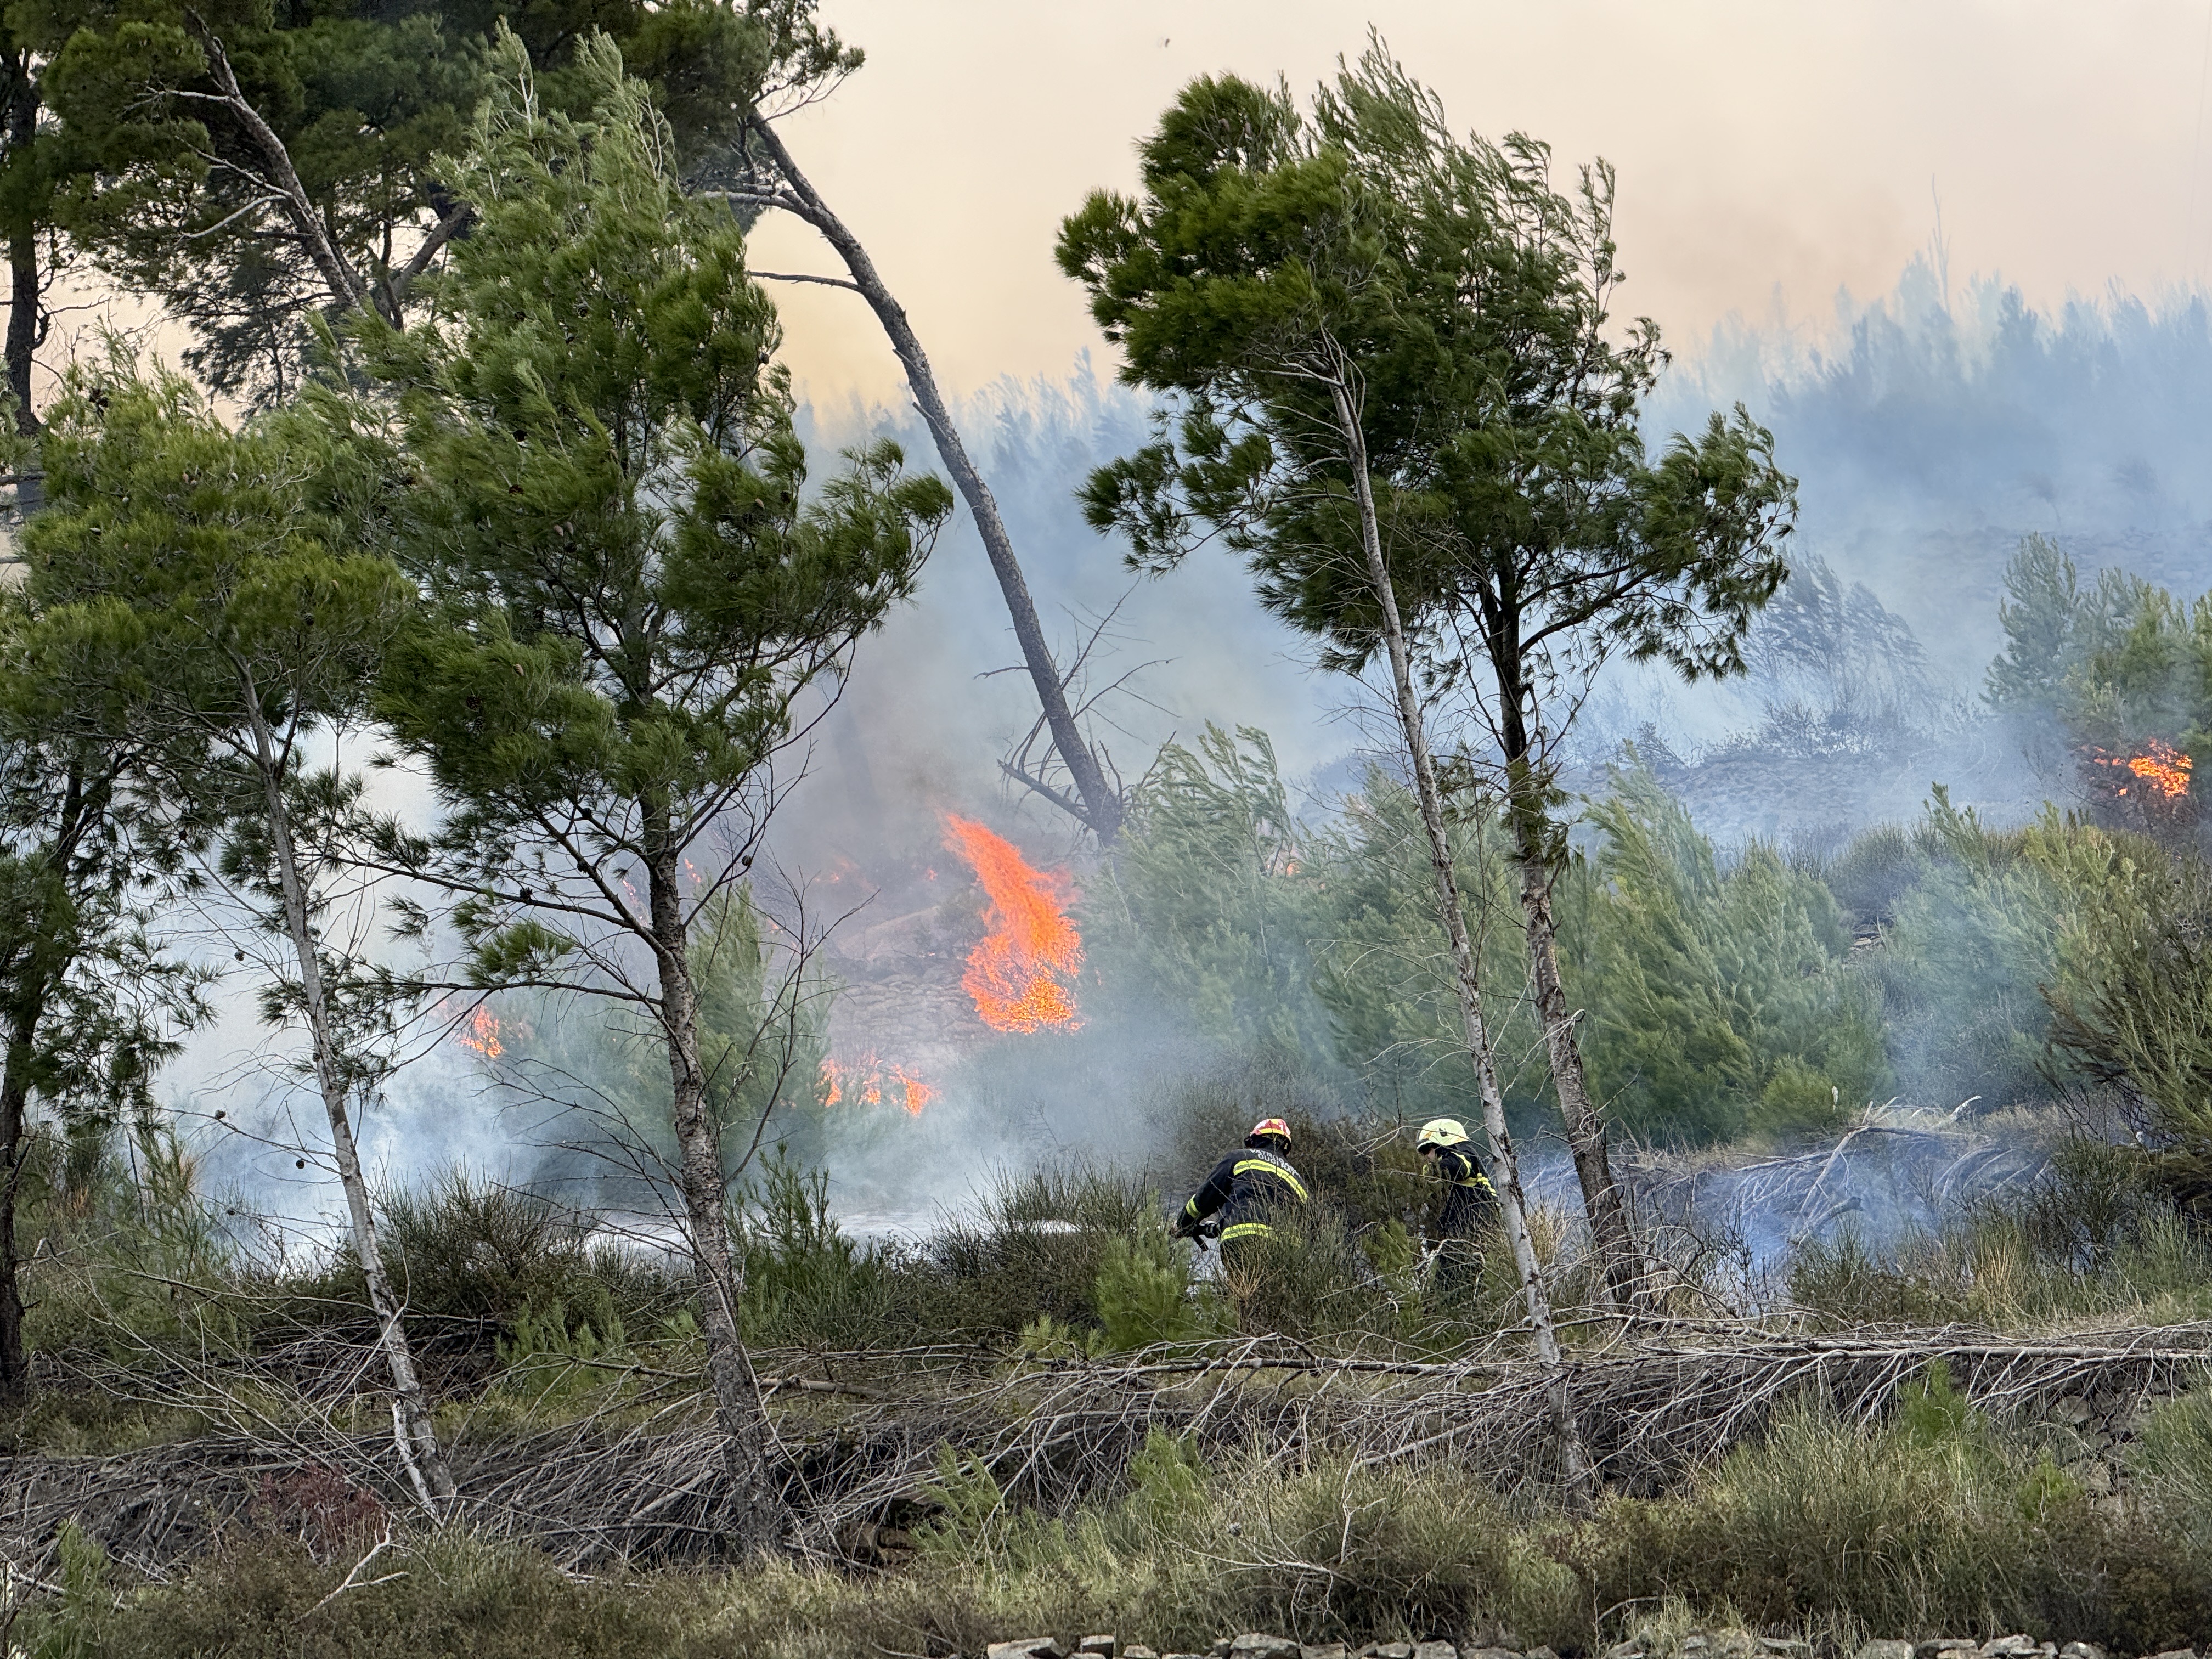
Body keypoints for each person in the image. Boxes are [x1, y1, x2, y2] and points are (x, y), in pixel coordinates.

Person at [1174, 1116, 1310, 1260]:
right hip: (1284, 1251)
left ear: (1256, 1139)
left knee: (1243, 1282)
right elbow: (1309, 1224)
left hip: (1241, 1241)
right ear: (1286, 1147)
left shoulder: (1239, 1157)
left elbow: (1205, 1198)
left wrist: (1183, 1224)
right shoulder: (1298, 1180)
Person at [1418, 1117, 1497, 1298]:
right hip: (1460, 1229)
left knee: (1466, 1278)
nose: (1425, 1156)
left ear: (1441, 1142)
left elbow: (1458, 1167)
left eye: (1427, 1150)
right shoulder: (1449, 1160)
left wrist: (1432, 1170)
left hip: (1476, 1225)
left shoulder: (1463, 1153)